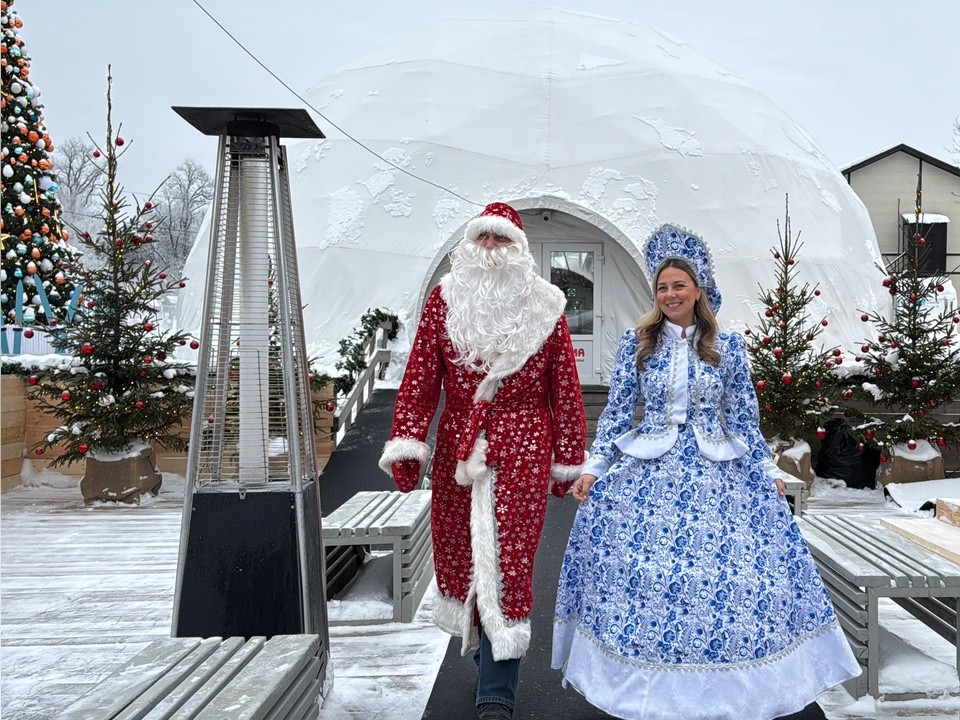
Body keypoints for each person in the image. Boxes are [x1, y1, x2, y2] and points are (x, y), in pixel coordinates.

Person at [552, 224, 860, 720]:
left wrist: (764, 468)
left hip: (717, 473)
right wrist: (593, 468)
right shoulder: (639, 345)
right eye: (662, 286)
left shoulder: (728, 347)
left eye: (679, 285)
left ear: (698, 290)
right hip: (647, 473)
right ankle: (645, 683)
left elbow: (742, 417)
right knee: (645, 580)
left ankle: (728, 688)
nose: (670, 294)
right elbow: (614, 416)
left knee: (732, 580)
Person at [379, 201, 587, 720]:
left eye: (502, 241)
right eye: (484, 241)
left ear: (519, 250)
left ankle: (498, 687)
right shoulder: (444, 301)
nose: (491, 251)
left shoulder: (546, 306)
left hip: (523, 446)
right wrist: (409, 440)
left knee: (510, 560)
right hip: (458, 449)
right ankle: (483, 655)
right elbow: (422, 377)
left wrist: (569, 456)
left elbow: (564, 386)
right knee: (464, 555)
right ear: (469, 247)